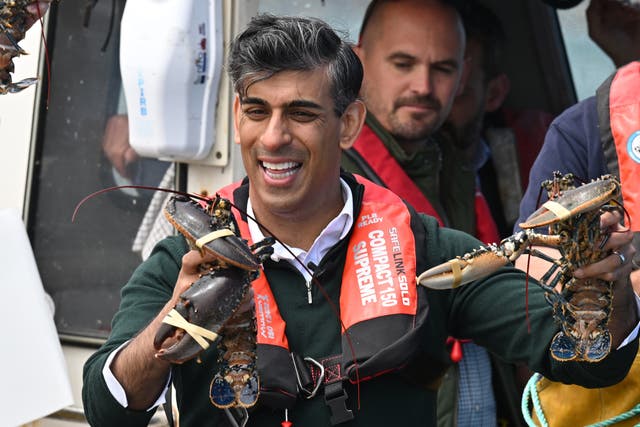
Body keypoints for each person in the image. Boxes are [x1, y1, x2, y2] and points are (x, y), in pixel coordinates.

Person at [82, 14, 639, 427]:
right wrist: (172, 323)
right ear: (237, 119)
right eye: (258, 112)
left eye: (301, 113)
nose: (274, 137)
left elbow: (596, 364)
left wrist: (605, 283)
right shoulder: (186, 254)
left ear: (348, 123)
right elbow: (108, 407)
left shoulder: (429, 249)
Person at [343, 0, 500, 246]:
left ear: (462, 77)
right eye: (403, 65)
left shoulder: (456, 169)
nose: (423, 87)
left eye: (443, 69)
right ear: (357, 65)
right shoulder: (326, 172)